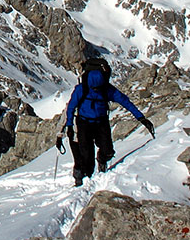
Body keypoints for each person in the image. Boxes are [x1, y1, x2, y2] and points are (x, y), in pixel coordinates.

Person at [61, 58, 155, 186]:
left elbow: (125, 102)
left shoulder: (104, 89)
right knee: (86, 157)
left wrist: (141, 118)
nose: (96, 90)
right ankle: (84, 182)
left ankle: (102, 159)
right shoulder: (83, 89)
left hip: (99, 122)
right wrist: (70, 126)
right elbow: (71, 108)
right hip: (84, 124)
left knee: (108, 150)